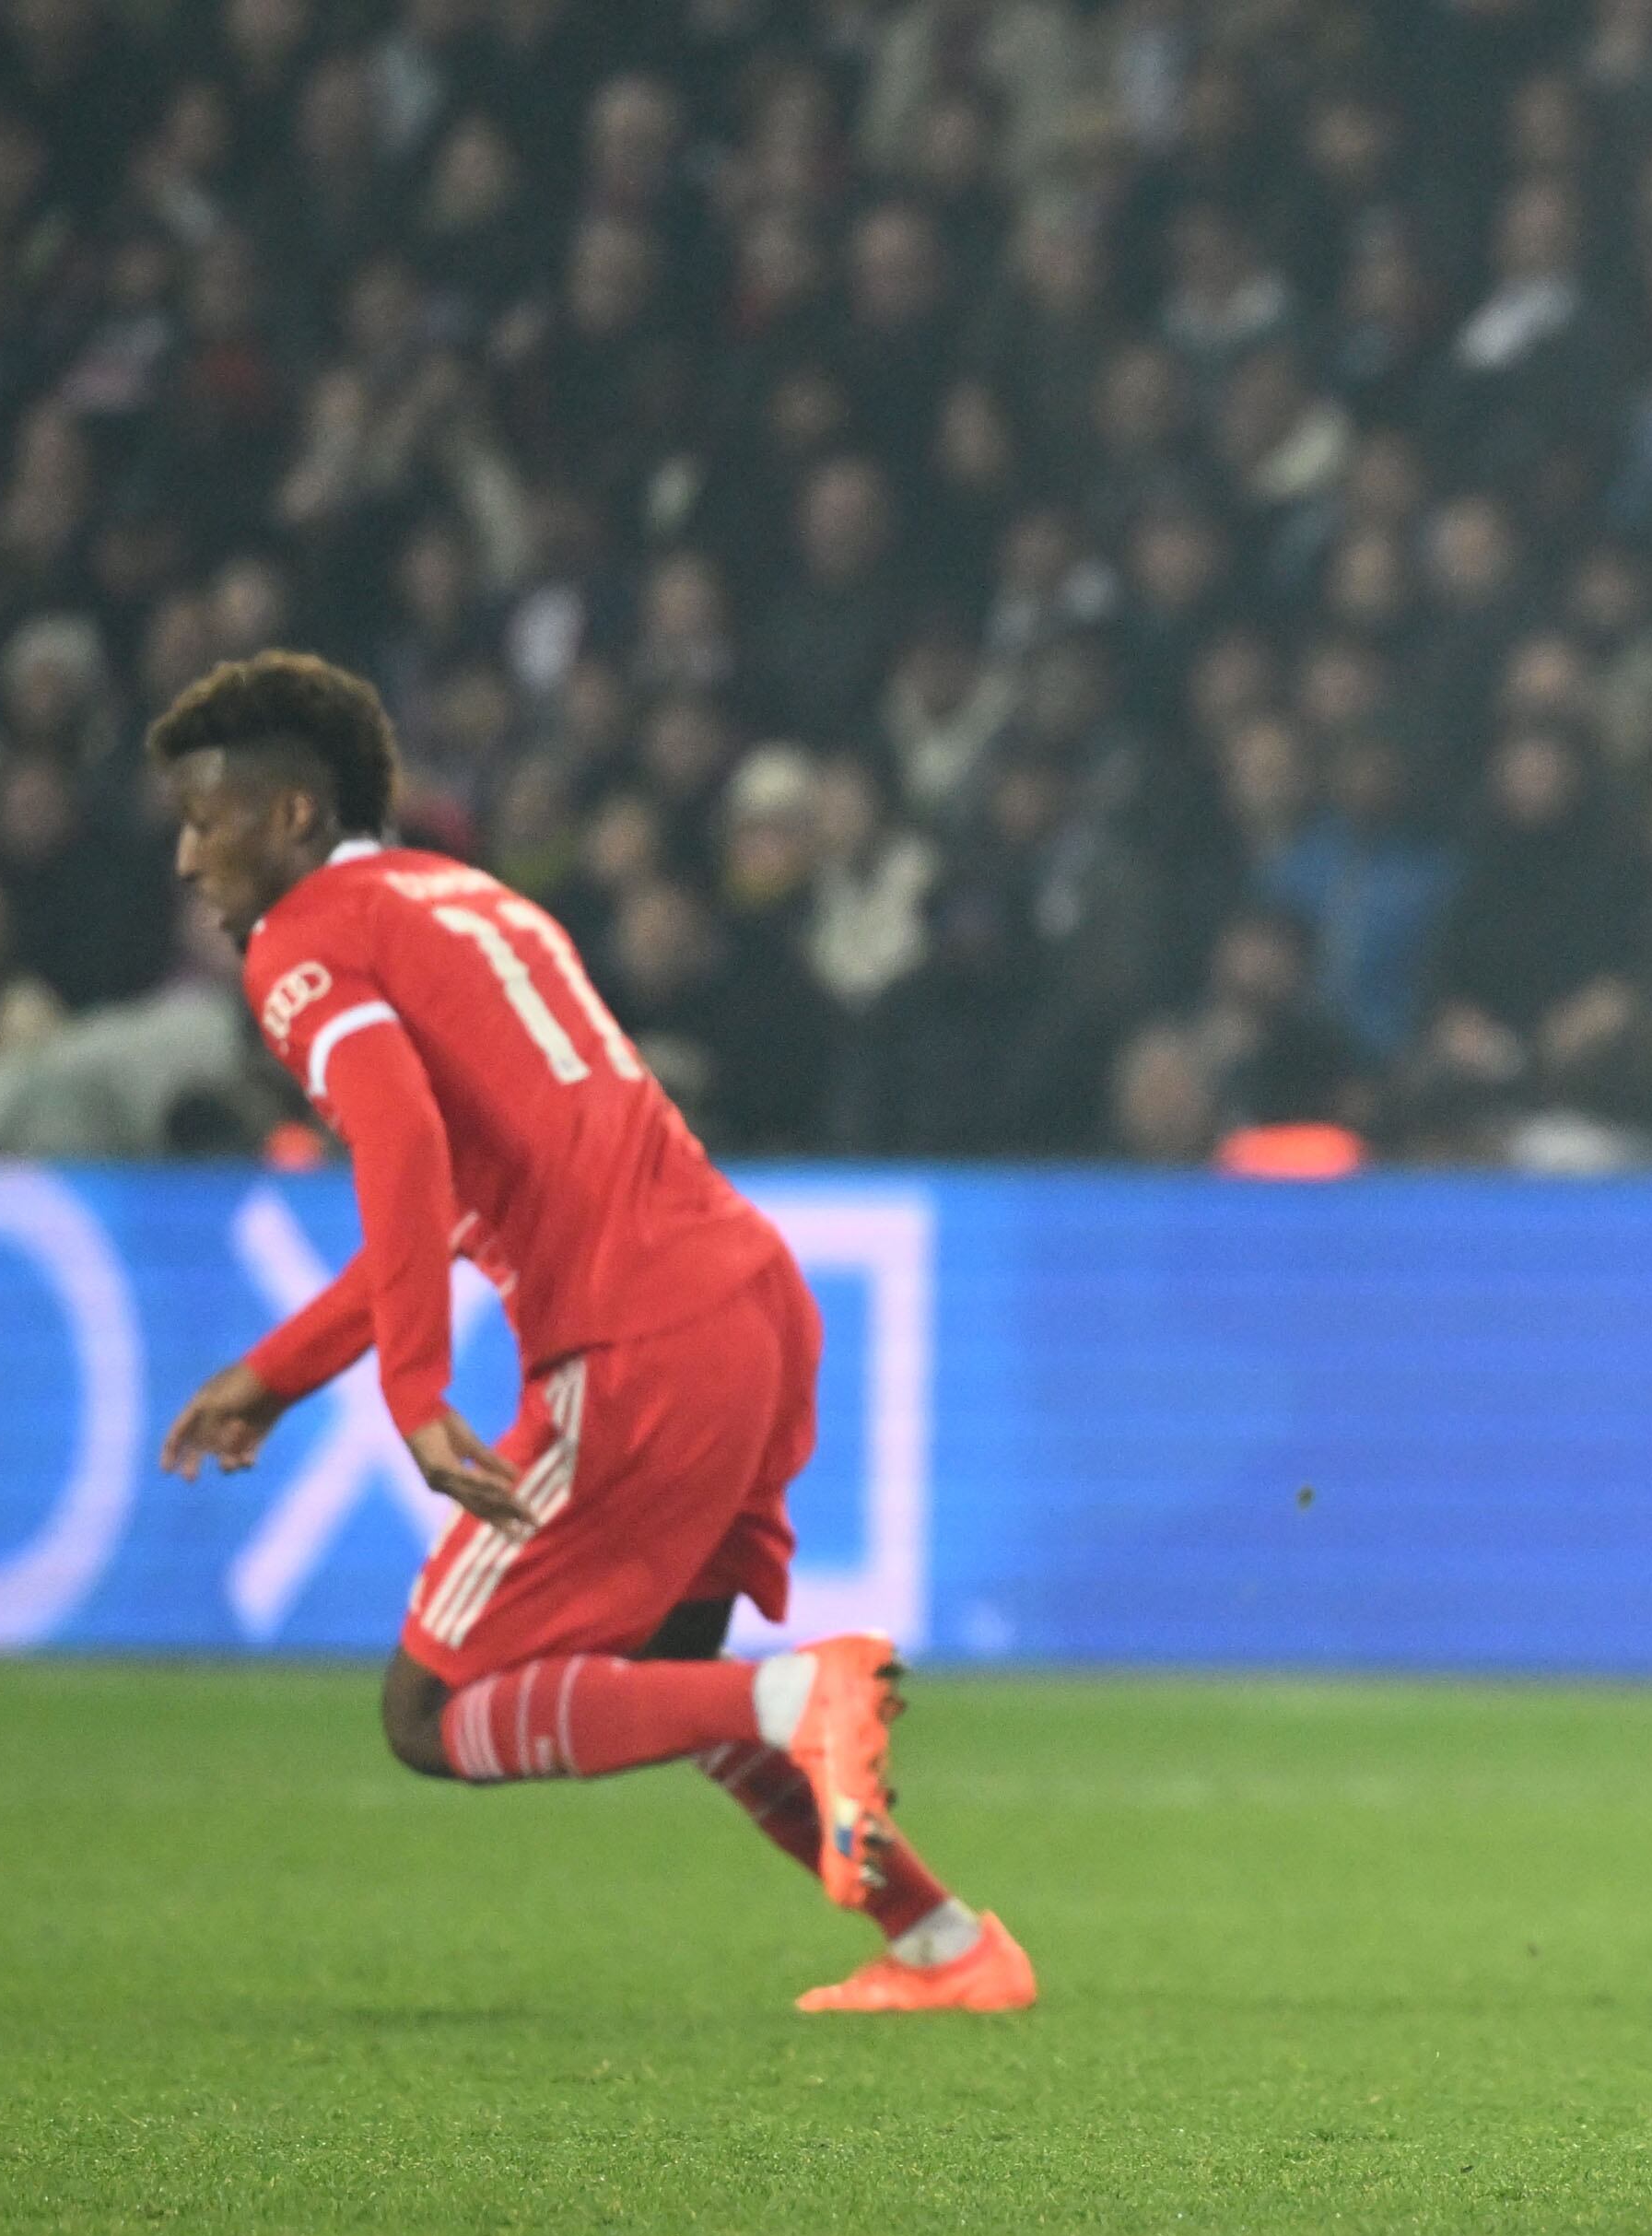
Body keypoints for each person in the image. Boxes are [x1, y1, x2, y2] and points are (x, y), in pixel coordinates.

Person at [147, 650, 1030, 2016]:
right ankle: (945, 1946)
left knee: (431, 1715)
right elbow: (457, 1189)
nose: (188, 854)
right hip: (750, 1305)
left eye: (207, 819)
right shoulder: (469, 897)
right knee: (663, 1676)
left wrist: (415, 1383)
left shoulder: (302, 941)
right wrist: (279, 1373)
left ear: (294, 820)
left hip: (634, 1340)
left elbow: (401, 1139)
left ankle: (799, 1706)